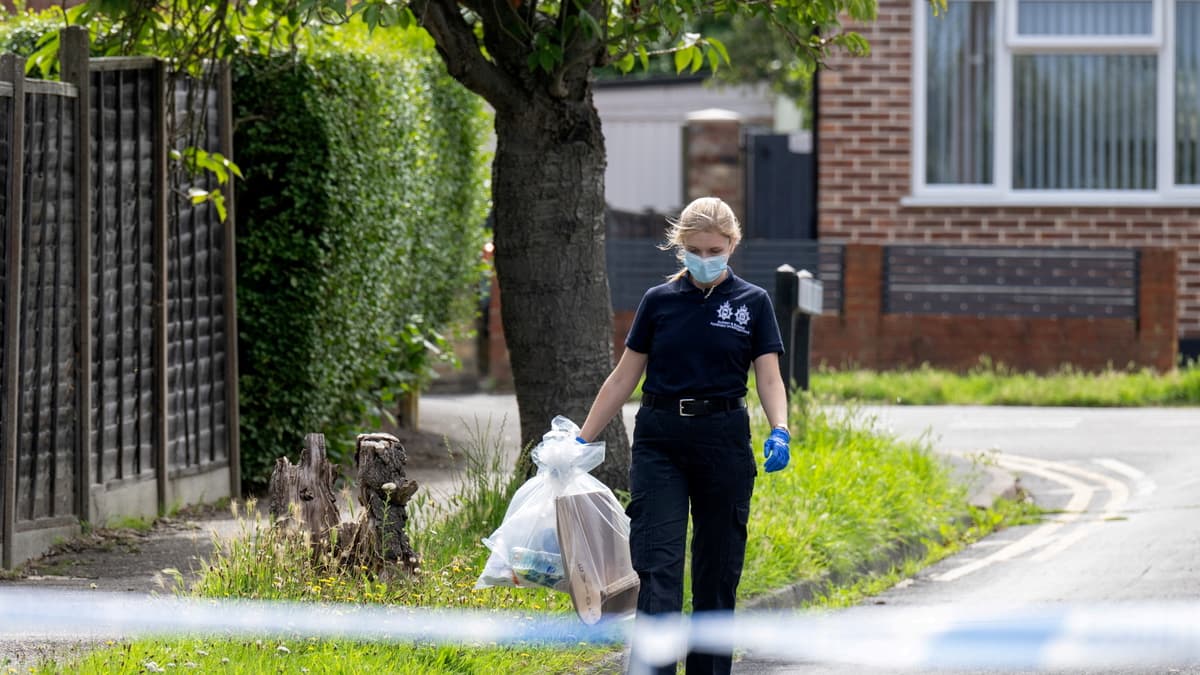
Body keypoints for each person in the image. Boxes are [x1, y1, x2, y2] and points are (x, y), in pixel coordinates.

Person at [577, 196, 791, 674]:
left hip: (723, 441)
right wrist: (581, 440)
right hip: (661, 441)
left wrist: (781, 428)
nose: (706, 258)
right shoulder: (659, 302)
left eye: (715, 249)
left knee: (717, 573)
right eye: (696, 249)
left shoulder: (752, 303)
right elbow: (622, 378)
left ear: (732, 245)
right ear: (680, 247)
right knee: (659, 568)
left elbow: (770, 378)